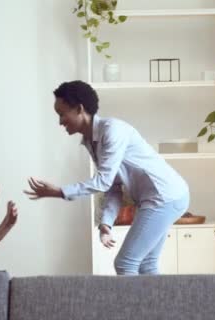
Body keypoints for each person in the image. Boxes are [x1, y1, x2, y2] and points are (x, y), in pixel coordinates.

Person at [25, 80, 189, 275]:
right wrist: (106, 224)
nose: (60, 121)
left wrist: (61, 192)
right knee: (146, 265)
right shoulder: (91, 140)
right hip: (162, 198)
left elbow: (102, 181)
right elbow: (112, 187)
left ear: (79, 109)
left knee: (125, 264)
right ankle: (157, 306)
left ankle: (132, 307)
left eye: (62, 114)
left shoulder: (112, 130)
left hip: (164, 197)